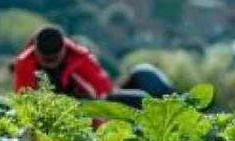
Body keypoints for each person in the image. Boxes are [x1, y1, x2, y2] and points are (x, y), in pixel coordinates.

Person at [13, 25, 174, 108]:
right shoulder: (25, 64)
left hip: (98, 100)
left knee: (144, 73)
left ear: (63, 48)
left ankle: (185, 108)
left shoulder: (78, 56)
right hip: (75, 112)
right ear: (36, 51)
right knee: (142, 99)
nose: (51, 62)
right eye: (46, 59)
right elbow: (25, 103)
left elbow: (104, 90)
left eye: (55, 58)